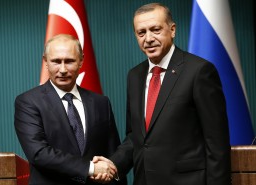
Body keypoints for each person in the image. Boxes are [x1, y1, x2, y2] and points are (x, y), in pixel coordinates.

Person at [94, 3, 231, 185]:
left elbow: (217, 144)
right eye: (141, 33)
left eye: (155, 30)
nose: (148, 38)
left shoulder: (199, 71)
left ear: (172, 30)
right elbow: (136, 137)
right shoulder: (134, 76)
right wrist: (114, 164)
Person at [14, 34, 126, 185]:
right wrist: (91, 168)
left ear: (81, 61)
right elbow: (38, 153)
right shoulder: (28, 102)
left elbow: (112, 153)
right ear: (45, 61)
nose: (63, 69)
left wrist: (112, 174)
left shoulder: (101, 102)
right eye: (56, 61)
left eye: (69, 61)